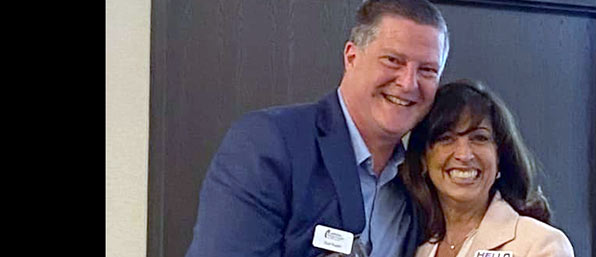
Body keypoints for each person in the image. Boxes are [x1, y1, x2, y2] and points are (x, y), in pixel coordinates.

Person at [184, 1, 449, 257]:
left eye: (427, 70)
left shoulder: (422, 179)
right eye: (393, 60)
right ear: (351, 57)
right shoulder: (269, 144)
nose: (407, 83)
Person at [399, 79, 574, 257]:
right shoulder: (415, 248)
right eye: (446, 138)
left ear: (500, 157)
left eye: (479, 138)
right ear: (423, 160)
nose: (464, 155)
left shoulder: (541, 244)